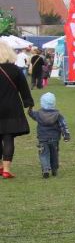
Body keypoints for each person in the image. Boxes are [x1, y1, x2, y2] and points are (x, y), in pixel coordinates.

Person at [0, 41, 35, 178]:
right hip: (11, 107)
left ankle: (0, 166)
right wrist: (29, 103)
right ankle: (7, 170)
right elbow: (24, 89)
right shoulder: (15, 70)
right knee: (8, 138)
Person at [28, 92, 70, 178]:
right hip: (54, 139)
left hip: (42, 138)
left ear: (42, 103)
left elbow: (31, 114)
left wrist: (30, 109)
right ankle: (54, 169)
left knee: (43, 154)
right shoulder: (58, 115)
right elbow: (63, 125)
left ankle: (45, 169)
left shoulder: (38, 114)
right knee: (54, 154)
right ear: (53, 103)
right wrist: (66, 135)